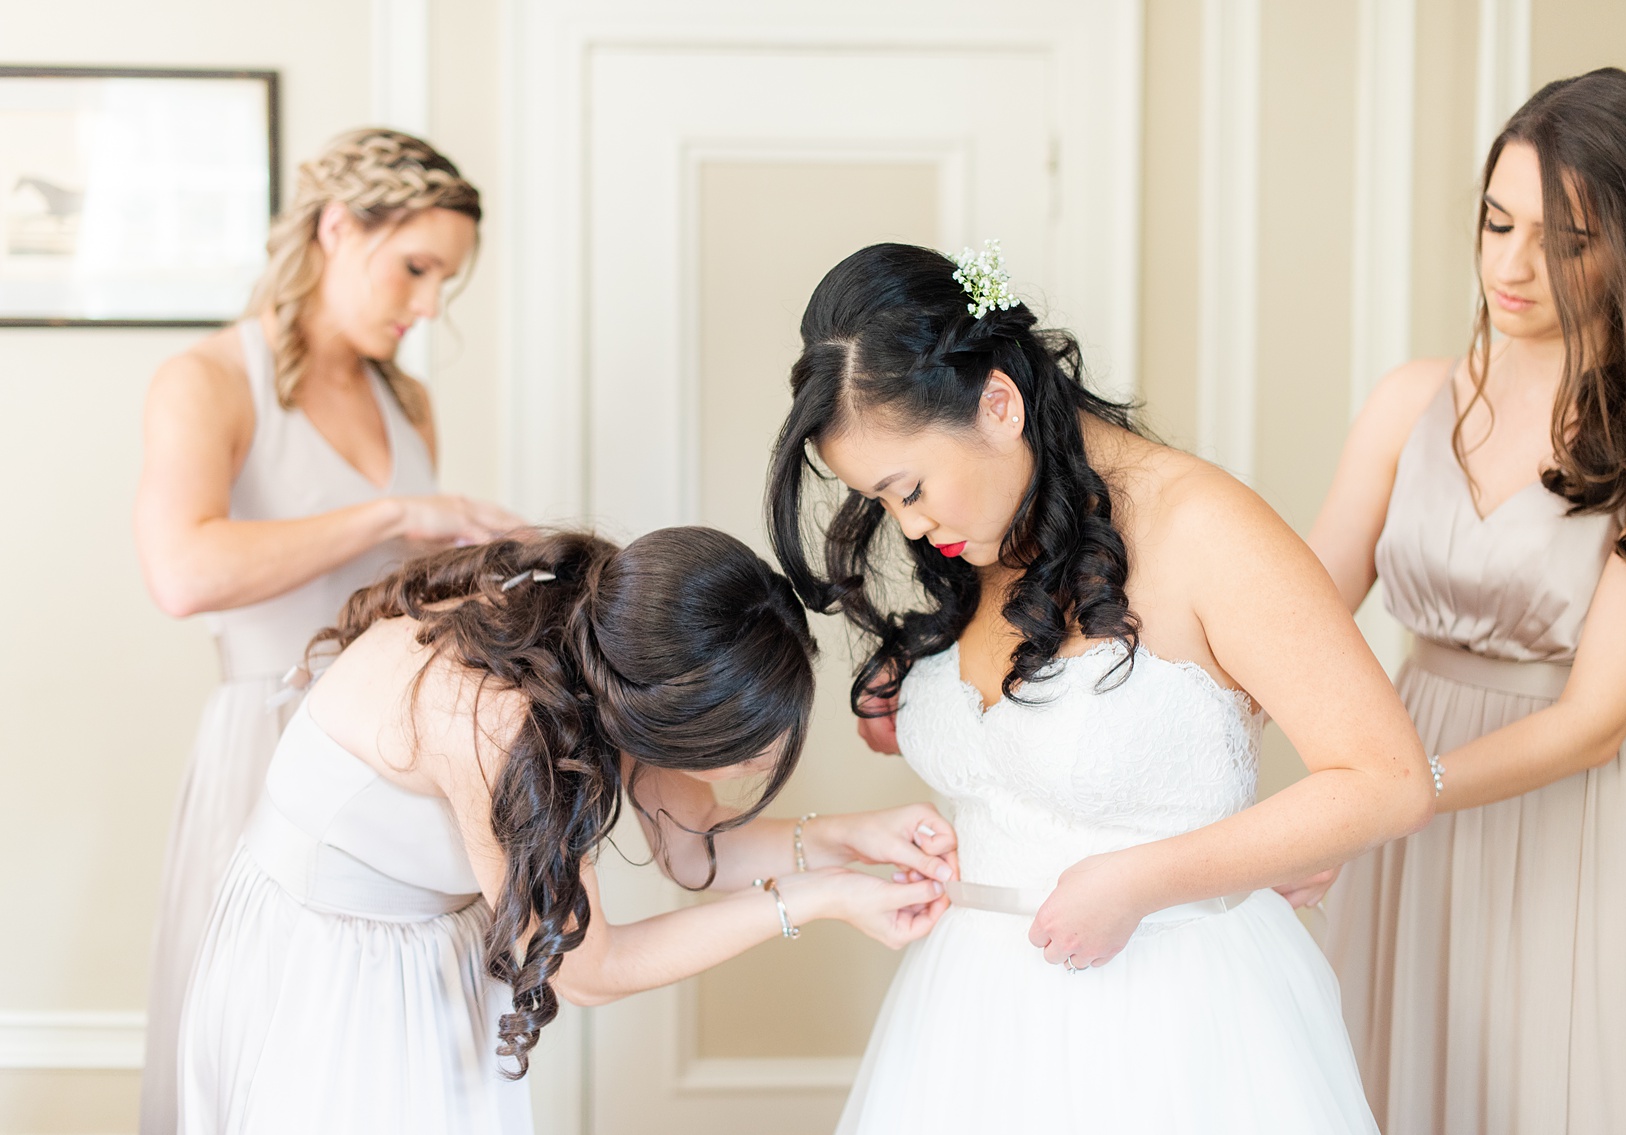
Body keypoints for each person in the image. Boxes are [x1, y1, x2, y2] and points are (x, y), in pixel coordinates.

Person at [765, 241, 1433, 1133]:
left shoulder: (1207, 529)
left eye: (911, 489)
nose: (912, 527)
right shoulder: (996, 529)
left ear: (998, 403)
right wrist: (925, 689)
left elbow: (1387, 779)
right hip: (970, 1026)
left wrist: (1141, 881)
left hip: (1174, 1024)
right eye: (884, 503)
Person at [177, 526, 958, 1133]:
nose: (762, 763)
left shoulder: (631, 651)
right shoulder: (502, 726)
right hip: (334, 956)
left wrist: (855, 837)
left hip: (431, 936)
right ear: (677, 725)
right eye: (748, 747)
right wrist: (819, 898)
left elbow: (693, 850)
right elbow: (587, 971)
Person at [1296, 68, 1626, 1134]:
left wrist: (1382, 793)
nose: (1510, 267)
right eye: (1494, 221)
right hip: (1406, 794)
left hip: (1576, 816)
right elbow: (1289, 617)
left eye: (1565, 241)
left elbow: (1592, 720)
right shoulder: (1407, 399)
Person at [132, 127, 522, 1130]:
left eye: (446, 281)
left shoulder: (409, 402)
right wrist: (394, 515)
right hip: (264, 746)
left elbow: (401, 604)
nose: (430, 304)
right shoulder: (208, 380)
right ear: (338, 228)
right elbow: (182, 572)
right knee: (260, 1040)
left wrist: (487, 564)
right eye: (416, 268)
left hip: (393, 759)